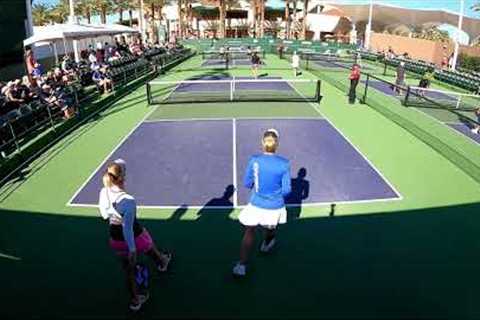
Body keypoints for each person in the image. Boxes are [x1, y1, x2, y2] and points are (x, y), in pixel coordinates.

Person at [98, 160, 172, 311]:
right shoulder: (129, 201)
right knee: (150, 248)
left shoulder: (103, 191)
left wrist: (114, 213)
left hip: (115, 239)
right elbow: (127, 229)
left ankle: (135, 301)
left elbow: (104, 215)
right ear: (122, 178)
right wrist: (132, 249)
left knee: (128, 271)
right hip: (134, 236)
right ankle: (163, 262)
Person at [233, 129, 291, 277]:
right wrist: (274, 195)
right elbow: (287, 190)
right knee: (270, 226)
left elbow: (247, 183)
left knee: (249, 231)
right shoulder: (285, 164)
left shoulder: (254, 160)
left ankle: (242, 265)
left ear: (262, 143)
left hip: (256, 204)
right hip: (275, 206)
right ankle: (267, 243)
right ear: (277, 144)